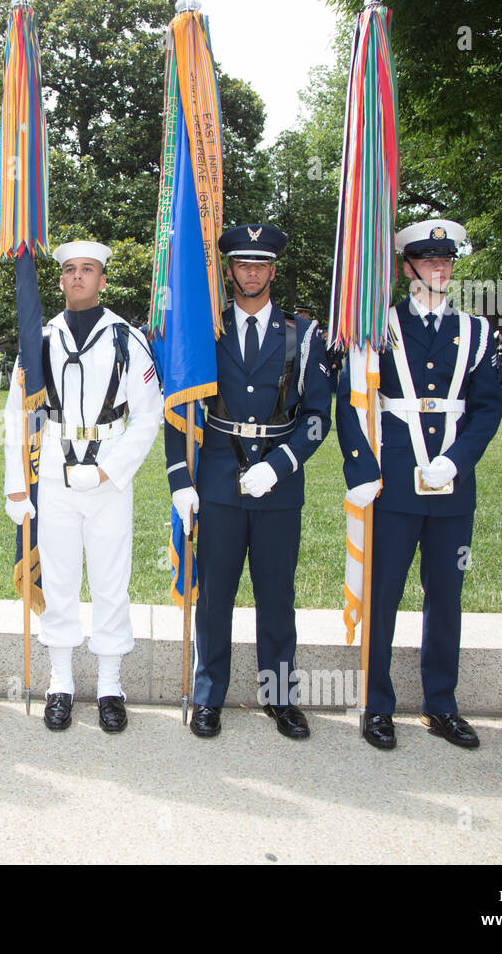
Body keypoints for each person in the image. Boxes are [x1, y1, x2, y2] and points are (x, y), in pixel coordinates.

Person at [337, 219, 502, 750]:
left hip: (452, 485)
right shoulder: (376, 326)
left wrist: (456, 461)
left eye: (446, 260)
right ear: (407, 267)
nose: (439, 269)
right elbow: (351, 403)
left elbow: (486, 407)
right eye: (429, 260)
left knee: (446, 595)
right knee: (382, 595)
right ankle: (377, 704)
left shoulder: (477, 330)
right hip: (395, 482)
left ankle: (441, 703)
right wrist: (363, 471)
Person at [167, 224, 333, 742]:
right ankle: (209, 695)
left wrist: (281, 465)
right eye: (243, 264)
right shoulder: (206, 331)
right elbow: (181, 404)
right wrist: (180, 478)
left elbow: (316, 416)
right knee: (214, 596)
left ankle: (280, 697)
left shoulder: (303, 335)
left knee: (277, 595)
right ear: (231, 271)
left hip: (279, 484)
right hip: (218, 478)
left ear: (273, 271)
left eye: (261, 265)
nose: (252, 273)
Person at [2, 240, 161, 732]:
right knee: (61, 578)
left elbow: (148, 414)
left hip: (109, 478)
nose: (77, 277)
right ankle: (61, 681)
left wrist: (112, 470)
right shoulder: (41, 338)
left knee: (111, 581)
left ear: (102, 280)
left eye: (87, 270)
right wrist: (15, 485)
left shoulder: (127, 339)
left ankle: (111, 685)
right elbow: (16, 414)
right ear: (60, 280)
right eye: (69, 270)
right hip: (54, 474)